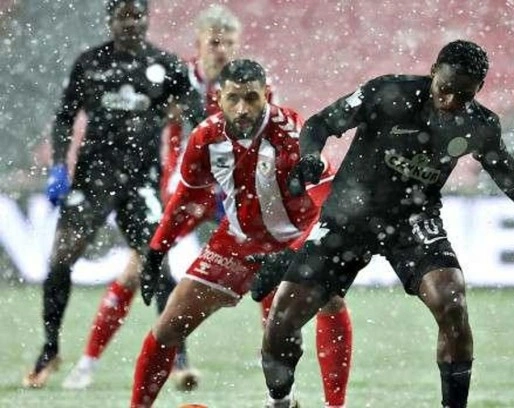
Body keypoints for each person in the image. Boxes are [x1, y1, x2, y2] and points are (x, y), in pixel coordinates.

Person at [260, 39, 514, 408]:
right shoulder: (388, 93)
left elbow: (509, 176)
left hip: (413, 221)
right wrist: (310, 156)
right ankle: (281, 401)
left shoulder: (479, 124)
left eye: (464, 95)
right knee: (282, 321)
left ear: (479, 89)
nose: (451, 102)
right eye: (445, 89)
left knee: (452, 301)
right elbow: (321, 123)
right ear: (433, 73)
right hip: (348, 219)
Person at [129, 59, 352, 408]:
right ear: (218, 98)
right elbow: (186, 199)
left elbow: (332, 201)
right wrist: (157, 251)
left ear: (267, 95)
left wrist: (296, 252)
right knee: (168, 327)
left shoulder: (293, 133)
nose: (242, 108)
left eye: (251, 98)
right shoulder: (206, 137)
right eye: (233, 98)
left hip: (295, 240)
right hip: (237, 242)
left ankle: (331, 405)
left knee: (329, 299)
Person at [23, 0, 205, 389]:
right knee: (60, 260)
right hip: (93, 180)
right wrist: (59, 166)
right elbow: (65, 117)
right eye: (123, 16)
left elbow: (198, 117)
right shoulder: (90, 63)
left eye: (137, 16)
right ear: (111, 20)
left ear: (147, 19)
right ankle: (50, 350)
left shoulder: (166, 65)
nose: (131, 23)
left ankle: (178, 357)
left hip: (141, 182)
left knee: (158, 265)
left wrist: (204, 161)